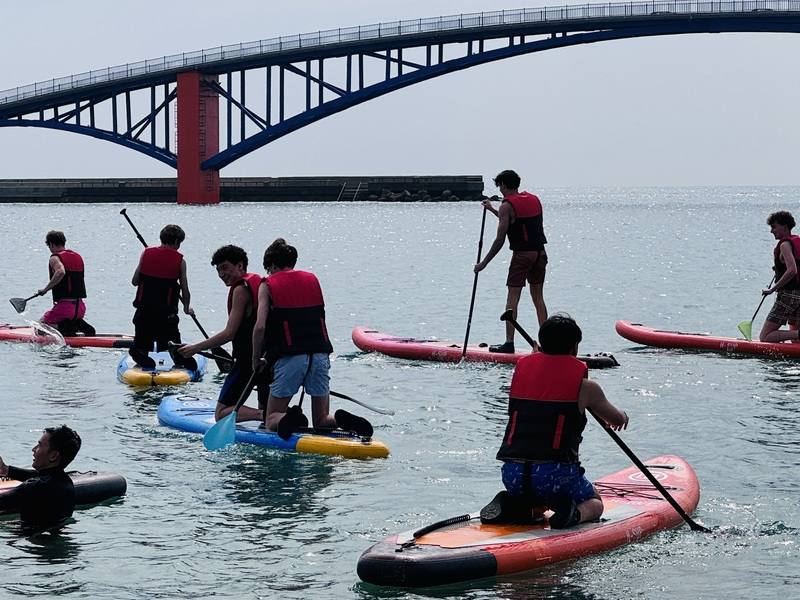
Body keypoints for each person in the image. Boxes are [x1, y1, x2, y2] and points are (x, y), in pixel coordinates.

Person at [481, 313, 628, 529]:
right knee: (595, 502)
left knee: (538, 495)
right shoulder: (587, 388)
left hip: (513, 475)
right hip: (555, 477)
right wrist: (623, 416)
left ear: (541, 344)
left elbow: (544, 388)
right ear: (574, 348)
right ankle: (573, 514)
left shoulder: (521, 372)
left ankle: (519, 506)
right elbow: (615, 419)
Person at [251, 238, 372, 439]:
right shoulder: (312, 279)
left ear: (271, 264)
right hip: (320, 354)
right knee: (321, 420)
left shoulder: (267, 284)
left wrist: (256, 359)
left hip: (290, 357)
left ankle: (287, 419)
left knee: (270, 417)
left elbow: (260, 326)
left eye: (268, 268)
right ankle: (338, 420)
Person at [179, 245, 265, 422]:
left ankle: (263, 415)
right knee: (268, 409)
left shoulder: (241, 290)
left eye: (225, 267)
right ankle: (277, 416)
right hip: (267, 358)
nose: (221, 274)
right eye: (218, 270)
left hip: (247, 361)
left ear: (240, 266)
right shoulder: (262, 284)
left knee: (221, 413)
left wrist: (195, 348)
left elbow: (229, 333)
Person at [474, 170, 548, 353]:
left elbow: (500, 239)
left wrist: (483, 264)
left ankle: (509, 343)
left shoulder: (507, 206)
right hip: (540, 254)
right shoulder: (534, 199)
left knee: (512, 298)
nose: (499, 189)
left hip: (522, 256)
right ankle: (548, 343)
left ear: (504, 185)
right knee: (538, 298)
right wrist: (491, 209)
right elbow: (515, 221)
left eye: (499, 186)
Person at [129, 224, 196, 370]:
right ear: (177, 242)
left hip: (144, 310)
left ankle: (140, 352)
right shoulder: (180, 262)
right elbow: (185, 289)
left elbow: (135, 281)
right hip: (166, 313)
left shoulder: (146, 253)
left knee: (142, 339)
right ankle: (178, 356)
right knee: (172, 339)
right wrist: (186, 308)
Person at [0, 425, 82, 532]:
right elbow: (41, 476)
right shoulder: (65, 482)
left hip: (31, 543)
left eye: (39, 445)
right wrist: (6, 470)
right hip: (53, 538)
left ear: (53, 456)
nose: (33, 449)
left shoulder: (34, 487)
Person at [37, 230, 95, 336]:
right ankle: (74, 324)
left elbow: (61, 272)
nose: (50, 249)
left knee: (39, 328)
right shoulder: (78, 256)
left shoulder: (55, 258)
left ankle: (68, 327)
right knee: (66, 322)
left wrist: (45, 289)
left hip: (65, 308)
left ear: (52, 244)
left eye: (49, 246)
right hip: (80, 308)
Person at [759, 211, 800, 343]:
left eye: (774, 227)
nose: (772, 231)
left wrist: (772, 289)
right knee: (795, 340)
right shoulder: (797, 241)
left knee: (765, 337)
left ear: (785, 227)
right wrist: (778, 269)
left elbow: (792, 270)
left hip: (789, 295)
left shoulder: (784, 245)